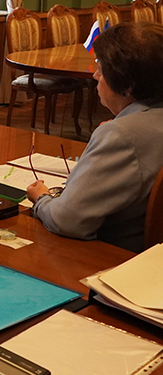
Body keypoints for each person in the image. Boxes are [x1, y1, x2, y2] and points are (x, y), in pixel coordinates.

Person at [26, 21, 163, 253]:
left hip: (115, 257)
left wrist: (41, 199)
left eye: (101, 69)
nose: (95, 75)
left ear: (127, 86)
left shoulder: (121, 135)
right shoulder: (127, 129)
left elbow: (67, 220)